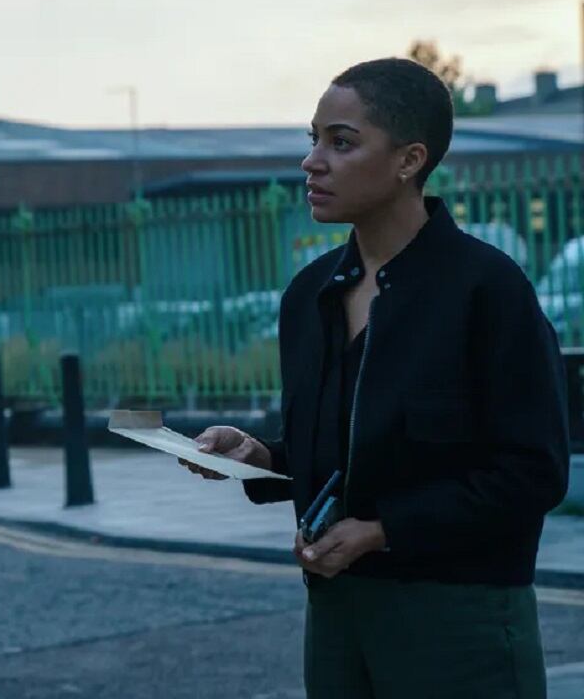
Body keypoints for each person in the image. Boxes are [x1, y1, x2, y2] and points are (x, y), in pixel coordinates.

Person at [184, 58, 570, 698]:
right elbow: (349, 449)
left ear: (409, 160)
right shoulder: (309, 295)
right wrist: (261, 457)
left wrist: (385, 530)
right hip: (337, 620)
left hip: (458, 624)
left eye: (341, 142)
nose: (313, 161)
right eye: (313, 139)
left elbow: (534, 471)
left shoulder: (485, 289)